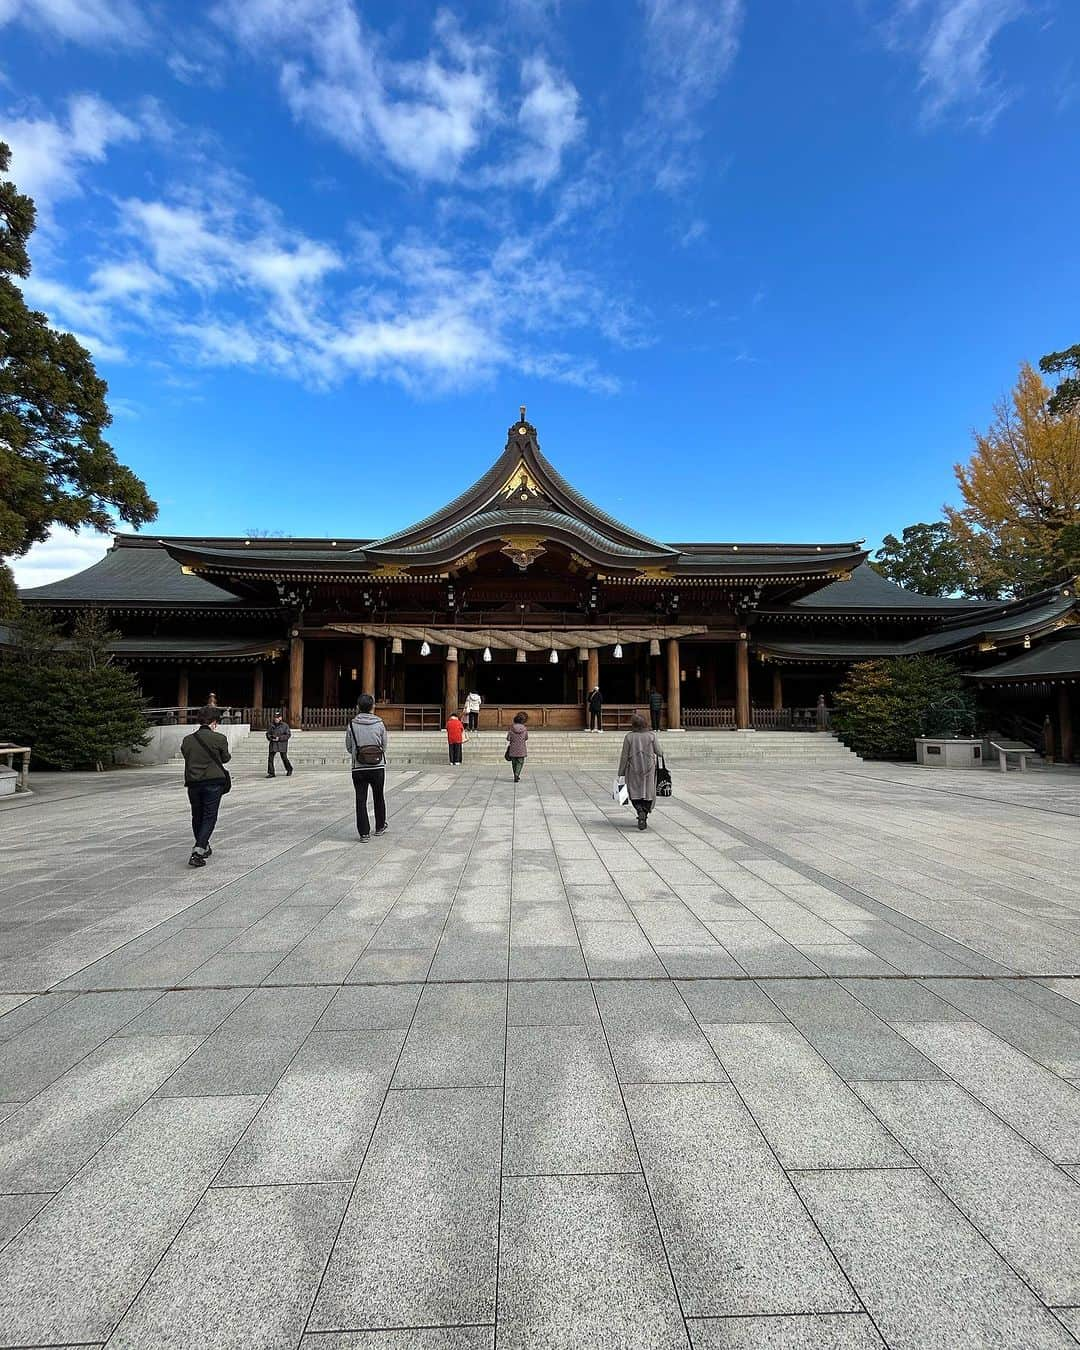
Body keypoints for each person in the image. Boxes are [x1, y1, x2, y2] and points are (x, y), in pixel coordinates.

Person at [181, 706, 231, 867]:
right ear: (214, 722)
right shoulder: (219, 738)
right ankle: (199, 849)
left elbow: (186, 755)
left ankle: (204, 845)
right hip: (213, 782)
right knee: (210, 816)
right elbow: (225, 758)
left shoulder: (188, 740)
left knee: (197, 815)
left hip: (193, 782)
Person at [346, 694, 388, 839]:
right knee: (378, 796)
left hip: (359, 766)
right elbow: (384, 745)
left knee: (361, 799)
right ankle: (380, 826)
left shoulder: (352, 724)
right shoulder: (380, 723)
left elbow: (349, 746)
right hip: (377, 766)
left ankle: (364, 833)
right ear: (372, 707)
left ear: (358, 707)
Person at [618, 711, 661, 831]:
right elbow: (659, 752)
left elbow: (624, 756)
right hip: (649, 768)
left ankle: (639, 810)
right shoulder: (651, 736)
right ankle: (644, 814)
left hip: (633, 768)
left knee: (634, 791)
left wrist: (620, 772)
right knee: (648, 792)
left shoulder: (629, 737)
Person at [506, 711, 528, 783]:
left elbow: (508, 738)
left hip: (513, 748)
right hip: (521, 748)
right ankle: (517, 774)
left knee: (514, 763)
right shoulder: (524, 729)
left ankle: (515, 774)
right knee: (520, 762)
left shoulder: (511, 728)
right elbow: (526, 738)